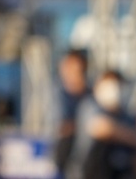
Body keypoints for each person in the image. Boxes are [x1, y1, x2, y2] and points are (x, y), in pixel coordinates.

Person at [70, 70, 136, 179]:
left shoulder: (126, 115)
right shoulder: (90, 105)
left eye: (118, 87)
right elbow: (102, 128)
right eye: (111, 86)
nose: (115, 91)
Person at [53, 49, 91, 178]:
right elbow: (61, 128)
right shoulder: (56, 94)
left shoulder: (91, 96)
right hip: (62, 158)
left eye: (76, 70)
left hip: (85, 159)